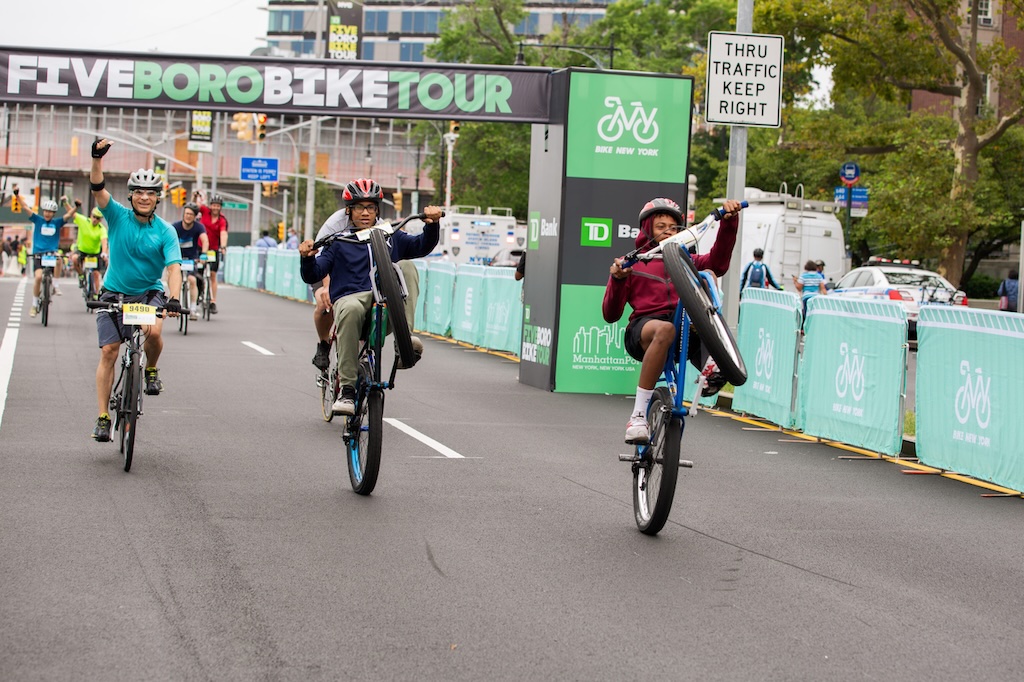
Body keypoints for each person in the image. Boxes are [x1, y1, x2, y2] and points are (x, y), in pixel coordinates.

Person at [603, 197, 745, 444]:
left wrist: (729, 224)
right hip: (645, 330)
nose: (668, 231)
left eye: (673, 227)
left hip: (683, 330)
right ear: (647, 229)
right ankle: (637, 416)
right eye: (660, 226)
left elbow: (719, 263)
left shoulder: (688, 261)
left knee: (703, 288)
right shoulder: (632, 263)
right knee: (665, 329)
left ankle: (713, 374)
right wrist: (618, 279)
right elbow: (610, 314)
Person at [299, 178, 442, 415]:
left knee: (406, 266)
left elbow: (421, 246)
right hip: (352, 300)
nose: (365, 213)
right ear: (349, 210)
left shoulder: (389, 235)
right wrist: (307, 257)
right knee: (351, 308)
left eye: (371, 207)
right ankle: (347, 391)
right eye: (359, 207)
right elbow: (313, 273)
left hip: (384, 302)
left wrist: (432, 225)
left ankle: (404, 342)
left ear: (377, 210)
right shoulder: (337, 241)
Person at [88, 139, 183, 442]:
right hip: (113, 293)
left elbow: (174, 268)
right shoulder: (116, 216)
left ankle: (151, 369)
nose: (144, 197)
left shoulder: (166, 230)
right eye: (139, 192)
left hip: (147, 294)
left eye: (150, 193)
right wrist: (96, 159)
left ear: (158, 199)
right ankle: (103, 417)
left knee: (153, 332)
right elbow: (98, 188)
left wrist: (175, 298)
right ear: (131, 196)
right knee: (109, 352)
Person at [5, 187, 75, 314]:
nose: (47, 214)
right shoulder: (38, 220)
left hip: (52, 253)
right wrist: (17, 196)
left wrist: (74, 206)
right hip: (39, 253)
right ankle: (34, 304)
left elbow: (70, 214)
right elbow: (26, 208)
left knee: (59, 259)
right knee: (38, 278)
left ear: (54, 213)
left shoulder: (57, 222)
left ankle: (56, 285)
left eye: (50, 212)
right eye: (46, 211)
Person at [172, 202, 210, 321]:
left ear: (195, 216)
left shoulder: (199, 227)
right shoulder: (175, 227)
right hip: (177, 258)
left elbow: (205, 241)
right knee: (173, 277)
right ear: (183, 214)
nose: (188, 216)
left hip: (191, 259)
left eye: (191, 214)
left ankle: (193, 309)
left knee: (192, 280)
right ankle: (174, 302)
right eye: (186, 213)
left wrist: (203, 255)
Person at [66, 200, 109, 299]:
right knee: (75, 259)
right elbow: (71, 212)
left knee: (96, 274)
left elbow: (104, 242)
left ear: (100, 220)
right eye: (94, 217)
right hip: (82, 251)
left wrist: (104, 253)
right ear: (91, 215)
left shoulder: (101, 229)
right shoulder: (83, 221)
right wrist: (65, 203)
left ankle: (95, 294)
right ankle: (81, 275)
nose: (95, 219)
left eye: (98, 218)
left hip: (94, 253)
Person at [195, 192, 228, 314]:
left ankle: (213, 301)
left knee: (213, 275)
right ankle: (199, 293)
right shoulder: (204, 211)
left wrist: (223, 246)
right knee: (197, 274)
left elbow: (223, 233)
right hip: (200, 248)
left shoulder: (222, 220)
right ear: (210, 206)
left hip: (213, 250)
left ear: (220, 207)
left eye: (218, 206)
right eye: (213, 205)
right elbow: (196, 206)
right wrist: (196, 196)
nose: (215, 208)